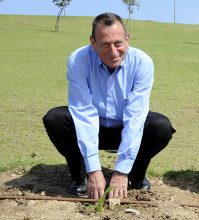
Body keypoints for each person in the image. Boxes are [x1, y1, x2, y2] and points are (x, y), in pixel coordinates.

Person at [42, 12, 175, 200]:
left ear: (127, 39)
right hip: (92, 126)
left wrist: (121, 171)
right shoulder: (78, 60)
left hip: (124, 127)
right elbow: (83, 113)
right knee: (56, 118)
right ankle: (82, 178)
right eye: (105, 44)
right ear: (92, 42)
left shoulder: (142, 63)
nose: (113, 52)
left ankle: (134, 177)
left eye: (118, 43)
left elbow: (135, 116)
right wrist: (94, 169)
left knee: (160, 126)